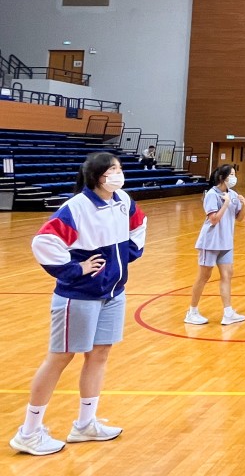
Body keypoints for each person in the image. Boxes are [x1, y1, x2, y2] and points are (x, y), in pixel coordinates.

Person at [10, 152, 147, 456]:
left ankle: (85, 424)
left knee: (99, 354)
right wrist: (76, 269)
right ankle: (29, 432)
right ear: (98, 177)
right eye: (113, 170)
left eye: (120, 169)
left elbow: (139, 225)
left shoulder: (123, 201)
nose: (119, 174)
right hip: (79, 296)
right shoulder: (77, 208)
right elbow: (44, 242)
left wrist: (127, 255)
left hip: (113, 293)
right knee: (60, 357)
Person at [185, 164, 245, 326]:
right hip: (211, 242)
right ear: (222, 177)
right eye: (231, 174)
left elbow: (240, 218)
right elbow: (213, 219)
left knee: (227, 275)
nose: (234, 177)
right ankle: (192, 312)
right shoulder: (211, 195)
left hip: (226, 242)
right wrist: (225, 204)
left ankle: (228, 312)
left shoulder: (233, 194)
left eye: (234, 174)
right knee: (204, 276)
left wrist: (244, 205)